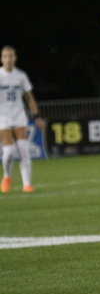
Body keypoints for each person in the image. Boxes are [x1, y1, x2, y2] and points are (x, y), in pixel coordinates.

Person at [1, 46, 43, 193]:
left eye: (11, 56)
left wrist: (36, 116)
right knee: (9, 153)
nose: (8, 59)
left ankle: (27, 184)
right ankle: (7, 176)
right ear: (2, 59)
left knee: (24, 151)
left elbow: (29, 97)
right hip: (3, 118)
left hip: (19, 116)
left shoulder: (20, 76)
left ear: (15, 58)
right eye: (5, 56)